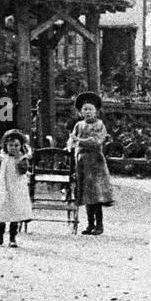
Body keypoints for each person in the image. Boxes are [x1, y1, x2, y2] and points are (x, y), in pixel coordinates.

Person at [68, 91, 114, 235]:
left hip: (95, 163)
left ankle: (99, 225)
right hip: (82, 163)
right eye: (85, 109)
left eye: (90, 109)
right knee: (86, 193)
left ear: (96, 111)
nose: (88, 112)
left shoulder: (99, 125)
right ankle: (89, 224)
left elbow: (96, 141)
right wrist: (70, 144)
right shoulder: (79, 125)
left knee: (96, 193)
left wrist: (79, 141)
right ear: (81, 111)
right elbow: (72, 140)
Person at [0, 129, 33, 248]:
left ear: (21, 146)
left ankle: (12, 238)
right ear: (5, 145)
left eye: (16, 145)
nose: (13, 148)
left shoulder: (23, 158)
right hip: (3, 188)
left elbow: (23, 170)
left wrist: (19, 159)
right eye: (10, 145)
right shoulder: (2, 158)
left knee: (14, 213)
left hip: (16, 189)